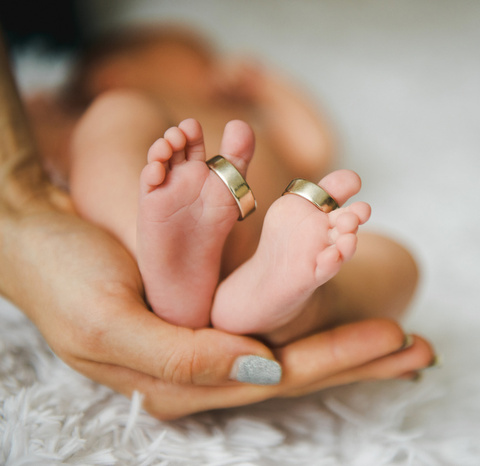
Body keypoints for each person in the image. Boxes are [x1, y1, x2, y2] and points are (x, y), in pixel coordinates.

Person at [0, 26, 436, 419]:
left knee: (397, 259)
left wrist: (269, 88)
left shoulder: (252, 124)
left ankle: (283, 303)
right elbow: (23, 157)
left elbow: (315, 147)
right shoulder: (117, 100)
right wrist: (45, 114)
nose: (216, 68)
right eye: (201, 59)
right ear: (114, 71)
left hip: (259, 250)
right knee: (114, 118)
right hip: (153, 235)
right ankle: (152, 246)